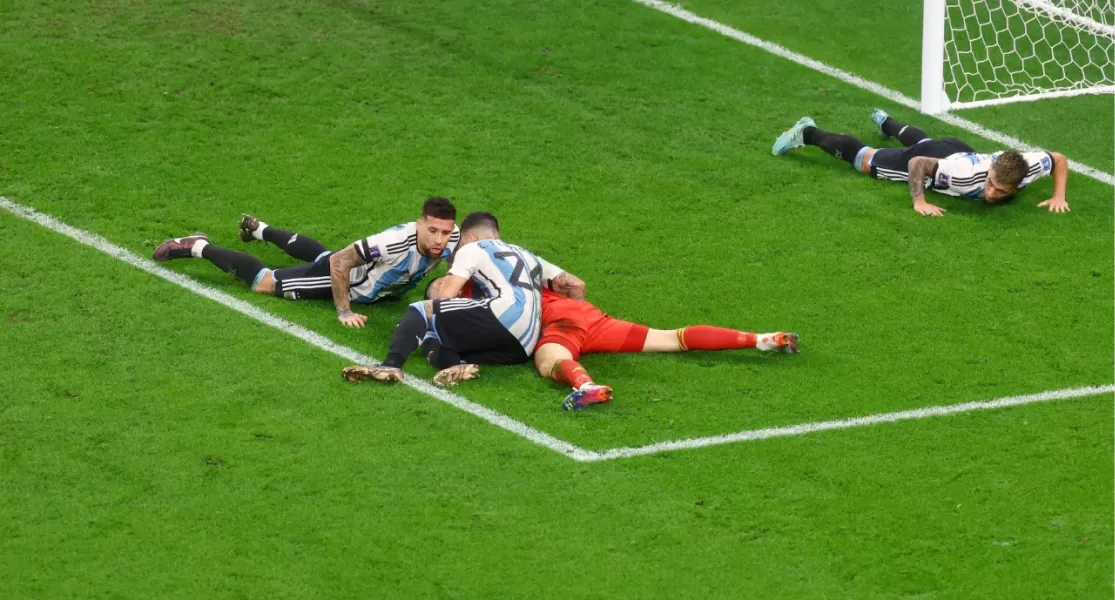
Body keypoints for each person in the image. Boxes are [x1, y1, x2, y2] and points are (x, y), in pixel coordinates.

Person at [341, 211, 571, 385]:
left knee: (421, 311)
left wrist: (425, 313)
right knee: (436, 335)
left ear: (470, 236)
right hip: (524, 345)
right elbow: (575, 285)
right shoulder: (527, 254)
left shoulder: (474, 248)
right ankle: (458, 366)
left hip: (504, 316)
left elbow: (444, 300)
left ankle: (390, 366)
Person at [152, 197, 459, 327]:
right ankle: (198, 247)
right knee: (265, 283)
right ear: (419, 224)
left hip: (374, 284)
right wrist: (344, 310)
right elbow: (339, 263)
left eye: (444, 232)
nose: (439, 239)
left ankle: (258, 229)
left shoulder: (452, 238)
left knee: (321, 255)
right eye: (432, 230)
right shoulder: (391, 243)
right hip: (348, 280)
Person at [771, 110, 1069, 217]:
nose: (992, 193)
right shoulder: (963, 175)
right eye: (991, 184)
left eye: (1002, 191)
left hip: (957, 149)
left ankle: (889, 123)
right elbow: (918, 162)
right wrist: (919, 201)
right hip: (942, 161)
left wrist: (1058, 196)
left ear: (1019, 183)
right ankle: (808, 132)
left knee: (925, 143)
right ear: (989, 173)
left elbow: (1058, 158)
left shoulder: (1028, 167)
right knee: (865, 160)